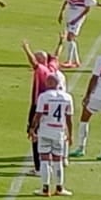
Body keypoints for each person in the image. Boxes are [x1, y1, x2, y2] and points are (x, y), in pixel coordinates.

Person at [30, 71, 75, 197]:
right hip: (59, 132)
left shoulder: (43, 97)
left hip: (45, 131)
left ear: (49, 83)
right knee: (58, 160)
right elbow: (69, 118)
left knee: (44, 159)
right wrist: (70, 135)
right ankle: (60, 188)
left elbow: (38, 115)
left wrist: (32, 129)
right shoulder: (67, 97)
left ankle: (45, 188)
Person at [22, 40, 60, 175]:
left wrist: (26, 49)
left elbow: (33, 62)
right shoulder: (52, 68)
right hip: (51, 106)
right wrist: (60, 43)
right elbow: (56, 57)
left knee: (34, 135)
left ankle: (38, 167)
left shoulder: (41, 70)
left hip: (37, 105)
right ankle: (48, 162)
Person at [56, 0, 98, 68]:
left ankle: (69, 61)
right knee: (71, 39)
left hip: (77, 18)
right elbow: (66, 1)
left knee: (69, 37)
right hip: (70, 16)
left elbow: (88, 7)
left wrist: (78, 19)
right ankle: (77, 61)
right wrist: (61, 13)